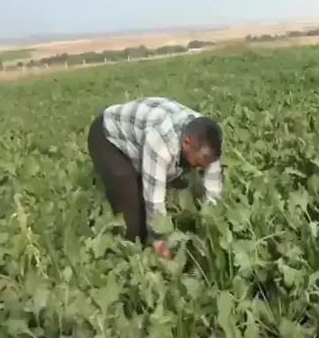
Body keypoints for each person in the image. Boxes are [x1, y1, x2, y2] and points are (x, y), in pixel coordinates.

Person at [87, 96, 224, 259]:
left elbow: (213, 194)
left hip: (143, 131)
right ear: (186, 143)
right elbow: (154, 199)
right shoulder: (160, 141)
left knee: (179, 183)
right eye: (198, 163)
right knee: (133, 216)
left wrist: (210, 234)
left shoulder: (209, 142)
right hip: (109, 138)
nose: (200, 169)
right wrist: (159, 240)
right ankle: (131, 257)